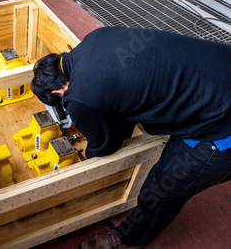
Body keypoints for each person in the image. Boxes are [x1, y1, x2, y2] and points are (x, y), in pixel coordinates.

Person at [31, 26, 231, 249]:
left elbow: (106, 146)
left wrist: (88, 155)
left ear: (57, 93)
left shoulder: (79, 98)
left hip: (222, 127)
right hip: (221, 69)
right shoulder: (95, 37)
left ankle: (127, 240)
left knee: (160, 191)